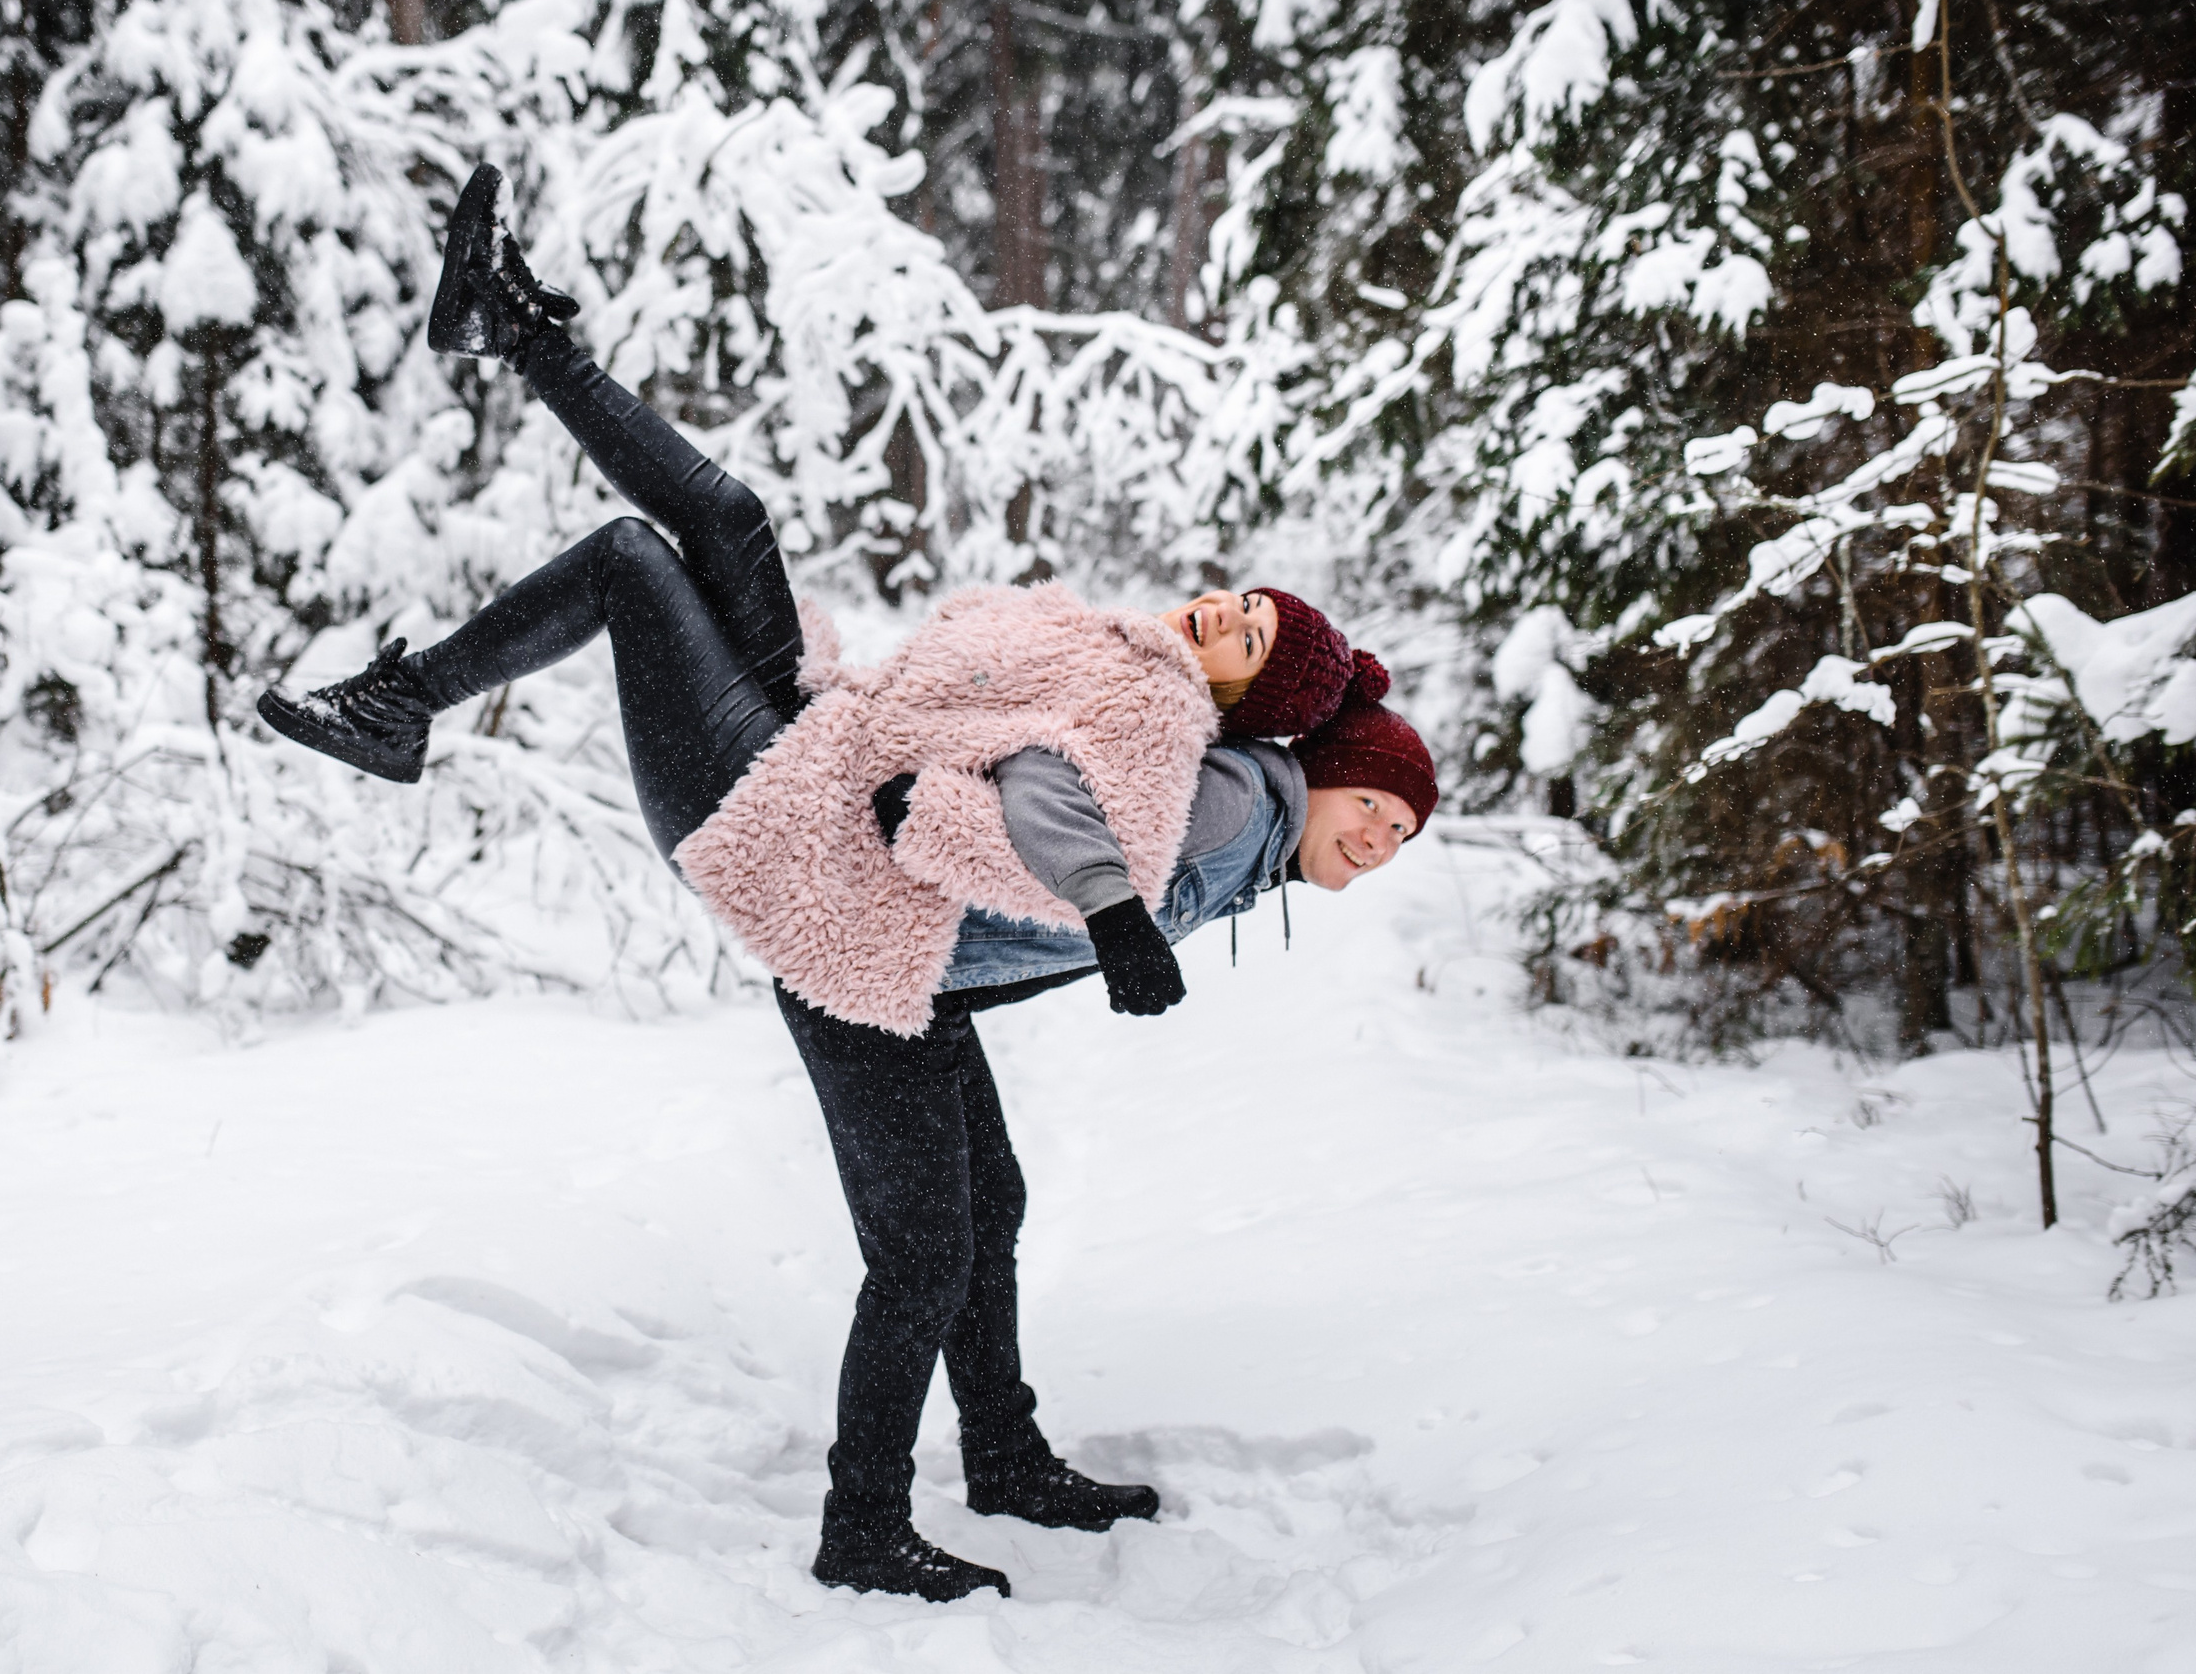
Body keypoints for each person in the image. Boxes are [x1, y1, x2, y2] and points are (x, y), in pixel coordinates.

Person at [259, 164, 1441, 1604]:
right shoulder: (1223, 794)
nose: (1381, 846)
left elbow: (1013, 816)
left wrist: (978, 871)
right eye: (1383, 816)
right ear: (1321, 763)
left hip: (841, 807)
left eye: (1399, 839)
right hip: (800, 835)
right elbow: (1047, 795)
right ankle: (866, 1523)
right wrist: (1102, 908)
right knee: (929, 1244)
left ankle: (1003, 1454)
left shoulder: (1232, 805)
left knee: (718, 531)